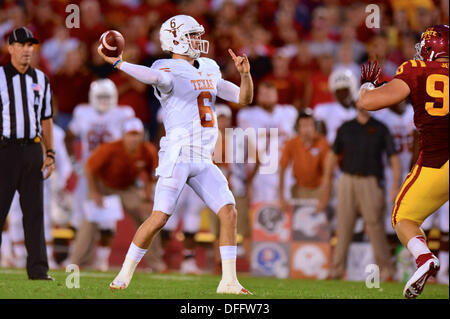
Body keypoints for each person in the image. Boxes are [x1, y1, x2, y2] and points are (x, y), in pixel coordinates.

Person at [97, 15, 254, 294]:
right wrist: (119, 64)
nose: (198, 40)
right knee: (159, 217)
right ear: (176, 38)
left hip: (204, 157)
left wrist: (244, 74)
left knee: (229, 211)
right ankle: (124, 273)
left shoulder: (208, 66)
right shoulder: (166, 67)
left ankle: (229, 282)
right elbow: (154, 76)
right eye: (192, 35)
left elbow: (243, 98)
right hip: (179, 154)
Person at [356, 24, 449, 299]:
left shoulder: (416, 69)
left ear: (431, 48)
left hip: (437, 161)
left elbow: (369, 103)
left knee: (403, 217)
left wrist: (367, 86)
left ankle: (424, 259)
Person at [320, 100, 400, 282]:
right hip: (347, 180)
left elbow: (393, 158)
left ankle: (387, 272)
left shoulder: (380, 128)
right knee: (343, 227)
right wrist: (327, 183)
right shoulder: (346, 127)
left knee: (375, 227)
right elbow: (332, 156)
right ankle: (336, 271)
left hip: (370, 181)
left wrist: (395, 185)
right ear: (357, 102)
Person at [63, 79, 137, 271]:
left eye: (107, 97)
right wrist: (73, 162)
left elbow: (133, 141)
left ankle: (102, 259)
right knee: (78, 217)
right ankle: (76, 257)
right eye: (100, 97)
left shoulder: (123, 114)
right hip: (88, 172)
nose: (104, 101)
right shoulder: (82, 112)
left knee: (107, 218)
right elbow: (69, 136)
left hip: (109, 174)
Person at [0, 26, 55, 280]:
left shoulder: (41, 79)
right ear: (9, 48)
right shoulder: (0, 77)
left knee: (35, 213)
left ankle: (38, 270)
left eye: (30, 45)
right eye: (21, 45)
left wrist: (50, 152)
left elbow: (46, 118)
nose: (26, 49)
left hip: (33, 149)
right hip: (6, 150)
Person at [7, 123, 72, 270]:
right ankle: (19, 256)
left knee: (43, 218)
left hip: (42, 180)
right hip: (15, 175)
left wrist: (59, 184)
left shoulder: (56, 132)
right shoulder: (14, 126)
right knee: (16, 216)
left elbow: (63, 162)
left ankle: (47, 256)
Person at [278, 109, 330, 210]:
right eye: (304, 125)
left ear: (315, 127)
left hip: (318, 189)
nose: (307, 129)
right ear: (298, 128)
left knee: (318, 223)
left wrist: (325, 198)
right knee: (298, 221)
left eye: (310, 125)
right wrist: (281, 196)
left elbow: (328, 173)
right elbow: (282, 168)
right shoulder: (292, 143)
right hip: (299, 189)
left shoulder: (323, 143)